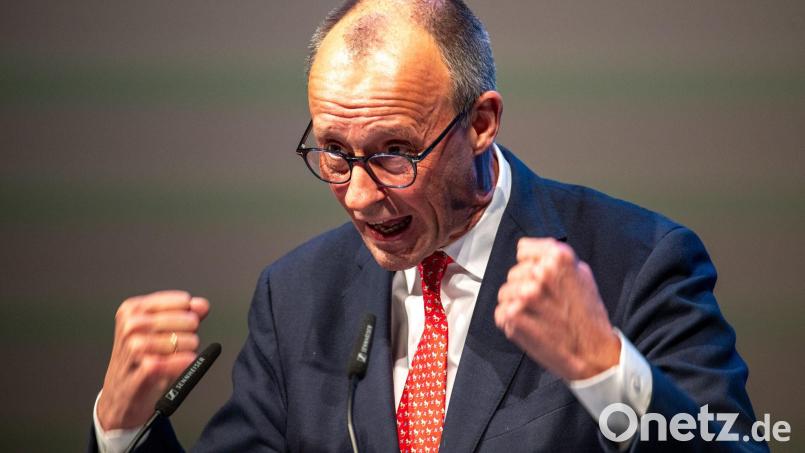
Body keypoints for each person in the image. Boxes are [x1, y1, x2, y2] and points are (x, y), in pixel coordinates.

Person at [89, 1, 766, 452]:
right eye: (332, 151)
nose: (357, 194)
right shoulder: (295, 294)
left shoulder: (636, 262)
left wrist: (606, 371)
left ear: (480, 123)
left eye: (392, 152)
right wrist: (122, 430)